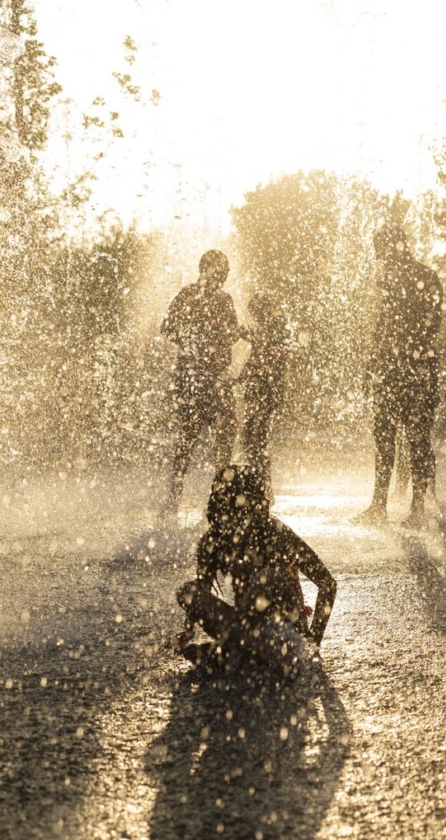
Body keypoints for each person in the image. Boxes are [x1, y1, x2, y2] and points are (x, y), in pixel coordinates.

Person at [171, 466, 337, 675]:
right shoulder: (212, 542)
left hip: (286, 631)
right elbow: (201, 594)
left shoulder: (276, 533)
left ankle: (231, 653)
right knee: (188, 591)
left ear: (254, 504)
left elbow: (327, 584)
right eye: (226, 506)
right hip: (243, 632)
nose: (233, 515)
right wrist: (188, 631)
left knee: (266, 578)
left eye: (238, 506)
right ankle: (242, 652)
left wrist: (313, 642)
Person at [356, 221, 443, 526]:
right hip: (398, 369)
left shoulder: (422, 277)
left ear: (394, 246)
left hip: (415, 369)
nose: (378, 256)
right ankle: (380, 504)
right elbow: (383, 326)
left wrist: (405, 347)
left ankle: (416, 508)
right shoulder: (395, 278)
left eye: (380, 249)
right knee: (387, 435)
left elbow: (432, 323)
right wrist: (372, 364)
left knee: (414, 438)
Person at [158, 250, 241, 520]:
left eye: (226, 270)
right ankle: (181, 500)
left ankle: (209, 500)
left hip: (208, 376)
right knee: (195, 436)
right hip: (198, 377)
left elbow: (230, 334)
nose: (225, 274)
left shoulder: (218, 298)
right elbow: (167, 327)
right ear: (206, 269)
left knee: (214, 434)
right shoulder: (192, 295)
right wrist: (199, 345)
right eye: (221, 269)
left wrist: (210, 341)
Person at [239, 288, 292, 503]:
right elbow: (258, 359)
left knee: (255, 438)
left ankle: (264, 489)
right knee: (254, 438)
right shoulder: (272, 327)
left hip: (265, 390)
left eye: (255, 312)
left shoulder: (275, 327)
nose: (253, 317)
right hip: (264, 389)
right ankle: (263, 487)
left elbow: (267, 358)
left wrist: (254, 339)